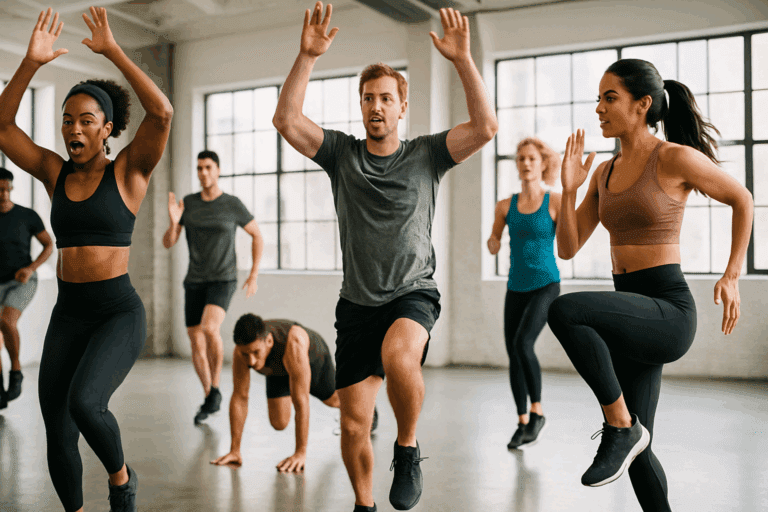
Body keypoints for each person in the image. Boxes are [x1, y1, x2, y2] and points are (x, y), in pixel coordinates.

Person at [273, 3, 497, 511]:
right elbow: (286, 120)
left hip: (412, 291)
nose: (376, 106)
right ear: (361, 106)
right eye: (368, 98)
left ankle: (408, 446)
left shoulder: (426, 154)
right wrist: (307, 55)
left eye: (386, 98)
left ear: (402, 106)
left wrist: (462, 59)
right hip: (356, 305)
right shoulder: (341, 155)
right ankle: (364, 504)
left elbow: (485, 128)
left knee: (400, 357)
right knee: (353, 426)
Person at [547, 59, 753, 511]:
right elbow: (568, 247)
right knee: (640, 456)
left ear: (642, 105)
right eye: (598, 99)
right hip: (630, 313)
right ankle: (628, 433)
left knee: (565, 310)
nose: (598, 108)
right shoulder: (603, 172)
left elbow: (743, 198)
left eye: (609, 98)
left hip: (667, 309)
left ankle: (619, 425)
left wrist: (733, 273)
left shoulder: (673, 157)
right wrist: (566, 189)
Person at [0, 7, 173, 512]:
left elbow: (161, 112)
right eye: (67, 121)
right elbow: (4, 126)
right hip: (69, 313)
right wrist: (30, 64)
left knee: (85, 402)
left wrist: (114, 51)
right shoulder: (55, 173)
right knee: (56, 425)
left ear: (107, 130)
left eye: (86, 121)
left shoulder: (130, 173)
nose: (73, 128)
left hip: (117, 311)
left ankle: (121, 480)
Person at [163, 150, 264, 425]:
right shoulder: (189, 205)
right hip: (194, 280)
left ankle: (217, 385)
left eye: (208, 167)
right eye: (199, 168)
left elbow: (256, 235)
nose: (203, 173)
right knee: (195, 340)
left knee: (209, 329)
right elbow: (168, 242)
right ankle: (211, 395)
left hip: (223, 278)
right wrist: (174, 222)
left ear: (217, 170)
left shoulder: (232, 204)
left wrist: (253, 273)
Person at [211, 314, 378, 473]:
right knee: (279, 422)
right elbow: (240, 397)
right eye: (246, 354)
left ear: (268, 341)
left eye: (256, 352)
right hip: (278, 369)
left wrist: (300, 453)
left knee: (333, 401)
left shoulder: (294, 343)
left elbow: (301, 402)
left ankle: (367, 408)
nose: (252, 361)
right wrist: (234, 450)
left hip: (312, 359)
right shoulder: (241, 352)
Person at [487, 138, 561, 449]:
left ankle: (538, 412)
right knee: (513, 354)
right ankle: (521, 421)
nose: (525, 164)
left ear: (543, 163)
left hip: (546, 285)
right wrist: (493, 244)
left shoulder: (554, 201)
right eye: (520, 159)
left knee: (523, 342)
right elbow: (493, 239)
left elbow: (571, 236)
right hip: (515, 287)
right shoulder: (505, 205)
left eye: (531, 158)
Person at [0, 167, 53, 408]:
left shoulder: (26, 216)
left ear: (11, 188)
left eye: (6, 189)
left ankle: (16, 372)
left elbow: (48, 245)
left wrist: (31, 268)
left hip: (22, 280)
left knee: (7, 321)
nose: (3, 194)